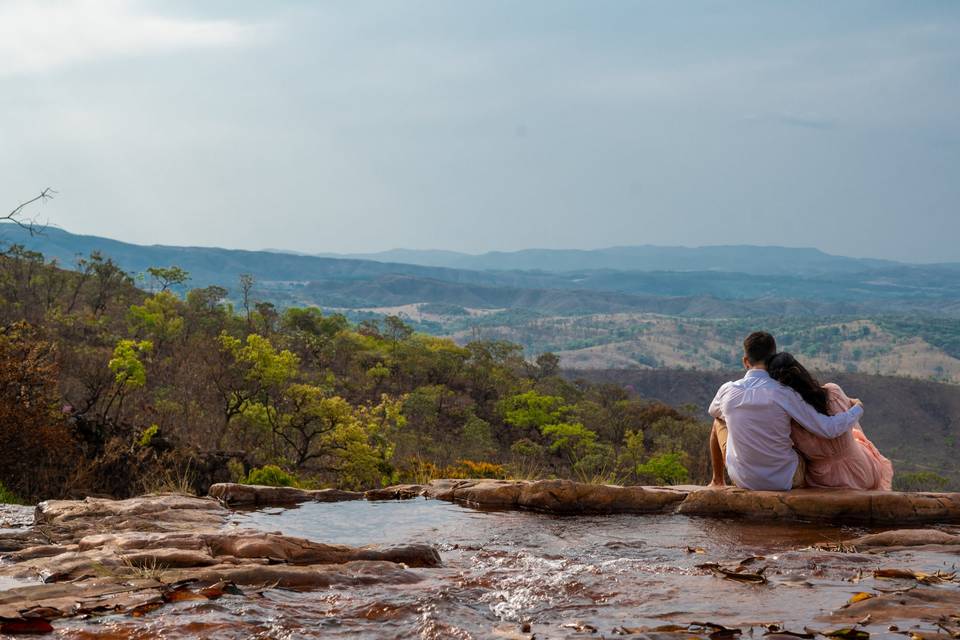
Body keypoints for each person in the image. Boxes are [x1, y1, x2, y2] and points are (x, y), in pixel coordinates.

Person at [707, 332, 864, 491]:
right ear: (773, 358)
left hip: (742, 479)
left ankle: (717, 481)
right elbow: (828, 429)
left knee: (717, 421)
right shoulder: (784, 393)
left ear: (746, 361)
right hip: (784, 479)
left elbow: (714, 411)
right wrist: (856, 409)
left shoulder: (727, 390)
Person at [767, 352, 893, 491]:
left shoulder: (787, 416)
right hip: (861, 469)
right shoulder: (832, 392)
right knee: (856, 434)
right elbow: (839, 426)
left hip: (822, 479)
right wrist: (857, 407)